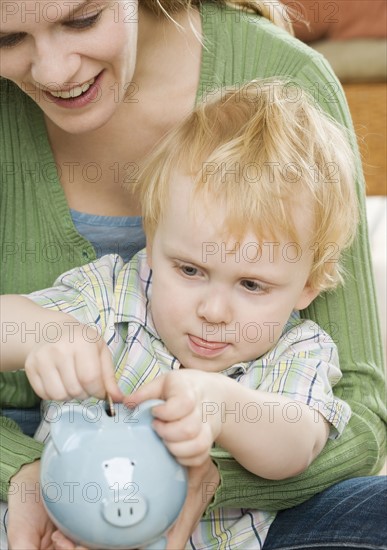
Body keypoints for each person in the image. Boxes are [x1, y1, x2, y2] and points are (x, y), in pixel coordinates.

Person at [0, 1, 385, 549]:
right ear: (150, 243)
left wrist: (224, 410)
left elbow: (301, 444)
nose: (213, 308)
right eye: (189, 270)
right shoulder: (115, 295)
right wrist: (43, 334)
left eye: (252, 285)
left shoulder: (300, 352)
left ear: (312, 284)